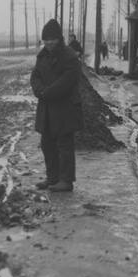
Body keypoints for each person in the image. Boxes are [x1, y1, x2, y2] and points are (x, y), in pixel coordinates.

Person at [30, 19, 84, 192]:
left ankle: (66, 181)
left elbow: (67, 81)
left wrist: (47, 93)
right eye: (45, 39)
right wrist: (39, 91)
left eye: (52, 39)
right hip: (47, 107)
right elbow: (35, 76)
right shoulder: (42, 55)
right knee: (47, 143)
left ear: (59, 39)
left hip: (64, 107)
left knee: (64, 144)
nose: (48, 42)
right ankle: (52, 178)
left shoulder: (69, 56)